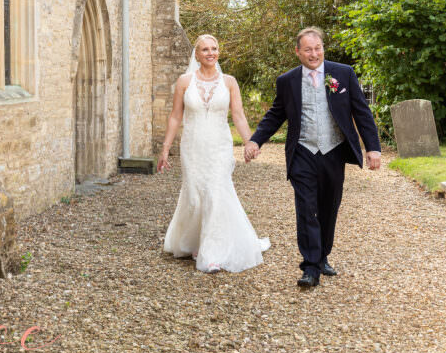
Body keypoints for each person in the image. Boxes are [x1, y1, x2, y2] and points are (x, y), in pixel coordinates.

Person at [244, 27, 381, 289]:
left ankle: (322, 255)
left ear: (322, 49)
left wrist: (372, 147)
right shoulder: (288, 81)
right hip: (303, 152)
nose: (313, 54)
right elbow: (275, 114)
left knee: (329, 207)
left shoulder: (343, 73)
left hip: (334, 151)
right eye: (307, 49)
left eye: (317, 48)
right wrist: (255, 140)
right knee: (306, 208)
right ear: (298, 52)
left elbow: (362, 112)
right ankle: (310, 267)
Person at [157, 34, 270, 273]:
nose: (211, 53)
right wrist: (165, 148)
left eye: (214, 49)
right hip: (193, 146)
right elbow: (176, 116)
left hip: (219, 146)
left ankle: (213, 252)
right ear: (196, 55)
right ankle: (196, 240)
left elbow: (238, 115)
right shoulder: (184, 82)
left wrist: (250, 143)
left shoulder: (229, 82)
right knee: (196, 196)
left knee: (216, 193)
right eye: (205, 49)